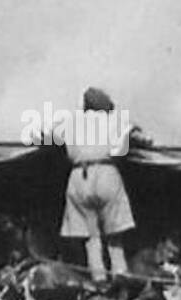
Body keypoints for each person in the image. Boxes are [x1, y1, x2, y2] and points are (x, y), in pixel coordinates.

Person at [49, 86, 154, 283]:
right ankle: (120, 272)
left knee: (91, 234)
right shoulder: (114, 120)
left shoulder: (69, 122)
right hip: (105, 173)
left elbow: (45, 136)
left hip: (78, 177)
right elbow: (144, 139)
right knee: (114, 231)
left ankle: (98, 277)